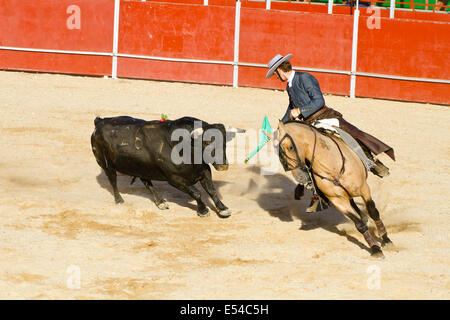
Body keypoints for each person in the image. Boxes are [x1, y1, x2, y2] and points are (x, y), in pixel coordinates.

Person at [265, 54, 395, 212]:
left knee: (347, 137)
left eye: (275, 73)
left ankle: (371, 162)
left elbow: (319, 101)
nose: (275, 76)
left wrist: (301, 110)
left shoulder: (305, 78)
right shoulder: (290, 86)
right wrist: (279, 129)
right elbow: (290, 108)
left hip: (324, 117)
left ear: (280, 70)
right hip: (308, 125)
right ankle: (317, 194)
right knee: (303, 155)